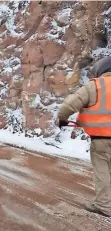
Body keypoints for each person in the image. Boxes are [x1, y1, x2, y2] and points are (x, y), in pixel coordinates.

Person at [58, 56, 111, 217]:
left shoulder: (95, 85)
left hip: (102, 140)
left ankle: (104, 205)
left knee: (102, 171)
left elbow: (68, 106)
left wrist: (62, 118)